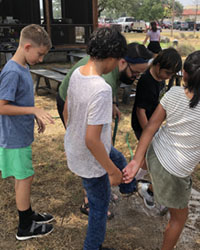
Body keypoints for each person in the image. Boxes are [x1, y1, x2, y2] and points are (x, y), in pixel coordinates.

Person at [123, 51, 200, 250]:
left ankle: (145, 187)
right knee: (178, 219)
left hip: (155, 153)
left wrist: (136, 159)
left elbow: (150, 128)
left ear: (184, 73)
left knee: (158, 179)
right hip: (176, 172)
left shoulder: (173, 93)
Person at [57, 41, 152, 218]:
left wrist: (113, 104)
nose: (135, 78)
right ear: (121, 62)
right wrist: (111, 170)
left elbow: (110, 89)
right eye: (135, 73)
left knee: (105, 153)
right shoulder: (102, 83)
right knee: (91, 156)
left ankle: (120, 187)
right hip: (71, 103)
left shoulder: (111, 70)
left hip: (84, 100)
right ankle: (90, 201)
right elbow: (93, 139)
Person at [63, 27, 127, 250]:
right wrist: (112, 171)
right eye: (118, 59)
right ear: (111, 57)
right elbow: (92, 140)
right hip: (91, 159)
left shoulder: (78, 73)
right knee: (99, 208)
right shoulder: (102, 89)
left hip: (75, 148)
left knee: (119, 159)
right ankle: (92, 247)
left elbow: (67, 111)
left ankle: (130, 186)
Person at [0, 24, 54, 240]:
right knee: (25, 177)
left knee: (23, 177)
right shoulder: (12, 71)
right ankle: (25, 227)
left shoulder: (22, 68)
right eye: (40, 54)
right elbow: (2, 106)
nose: (40, 59)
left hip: (20, 135)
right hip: (13, 138)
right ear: (28, 46)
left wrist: (32, 115)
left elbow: (18, 100)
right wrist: (33, 109)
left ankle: (28, 214)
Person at [131, 48, 182, 205]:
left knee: (148, 156)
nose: (168, 77)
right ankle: (132, 182)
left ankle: (133, 180)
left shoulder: (160, 77)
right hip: (144, 125)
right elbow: (140, 111)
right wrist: (150, 134)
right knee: (149, 155)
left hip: (152, 123)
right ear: (157, 64)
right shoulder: (146, 81)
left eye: (171, 75)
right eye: (167, 73)